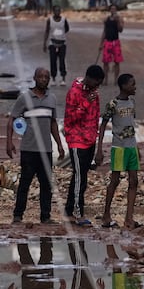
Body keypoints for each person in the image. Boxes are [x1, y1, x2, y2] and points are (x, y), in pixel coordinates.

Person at [6, 67, 65, 224]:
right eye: (41, 76)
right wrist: (9, 142)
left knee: (46, 184)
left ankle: (45, 217)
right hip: (29, 149)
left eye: (46, 77)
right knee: (25, 183)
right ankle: (18, 215)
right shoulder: (25, 98)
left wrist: (59, 145)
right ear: (35, 78)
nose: (43, 79)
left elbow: (53, 123)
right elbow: (11, 119)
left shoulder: (51, 99)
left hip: (46, 149)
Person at [95, 73, 142, 230]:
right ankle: (106, 215)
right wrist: (99, 148)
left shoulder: (132, 102)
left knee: (134, 181)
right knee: (115, 181)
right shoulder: (113, 104)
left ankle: (129, 218)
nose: (135, 87)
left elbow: (130, 125)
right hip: (119, 148)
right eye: (132, 84)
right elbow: (102, 126)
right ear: (123, 86)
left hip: (131, 147)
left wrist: (137, 148)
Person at [63, 64, 105, 226]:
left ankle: (69, 211)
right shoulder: (74, 92)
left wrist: (95, 139)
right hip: (76, 140)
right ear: (89, 78)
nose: (98, 86)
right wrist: (85, 103)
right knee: (80, 179)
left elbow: (95, 117)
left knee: (81, 177)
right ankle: (78, 213)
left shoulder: (94, 93)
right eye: (96, 83)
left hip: (89, 140)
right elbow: (70, 118)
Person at [43, 5, 70, 86]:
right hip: (52, 44)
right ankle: (53, 78)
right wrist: (44, 43)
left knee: (62, 61)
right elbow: (47, 31)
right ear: (53, 11)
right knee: (53, 61)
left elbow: (67, 29)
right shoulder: (49, 20)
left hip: (62, 44)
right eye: (56, 10)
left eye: (59, 10)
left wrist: (60, 34)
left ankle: (63, 78)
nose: (57, 12)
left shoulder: (64, 20)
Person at [99, 4, 124, 86]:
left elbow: (120, 30)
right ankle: (105, 79)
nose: (113, 10)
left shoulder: (119, 19)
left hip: (115, 42)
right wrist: (101, 43)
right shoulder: (107, 19)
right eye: (112, 9)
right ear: (110, 10)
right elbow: (104, 31)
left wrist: (118, 22)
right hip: (107, 42)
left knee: (117, 61)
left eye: (114, 9)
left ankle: (115, 80)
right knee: (105, 62)